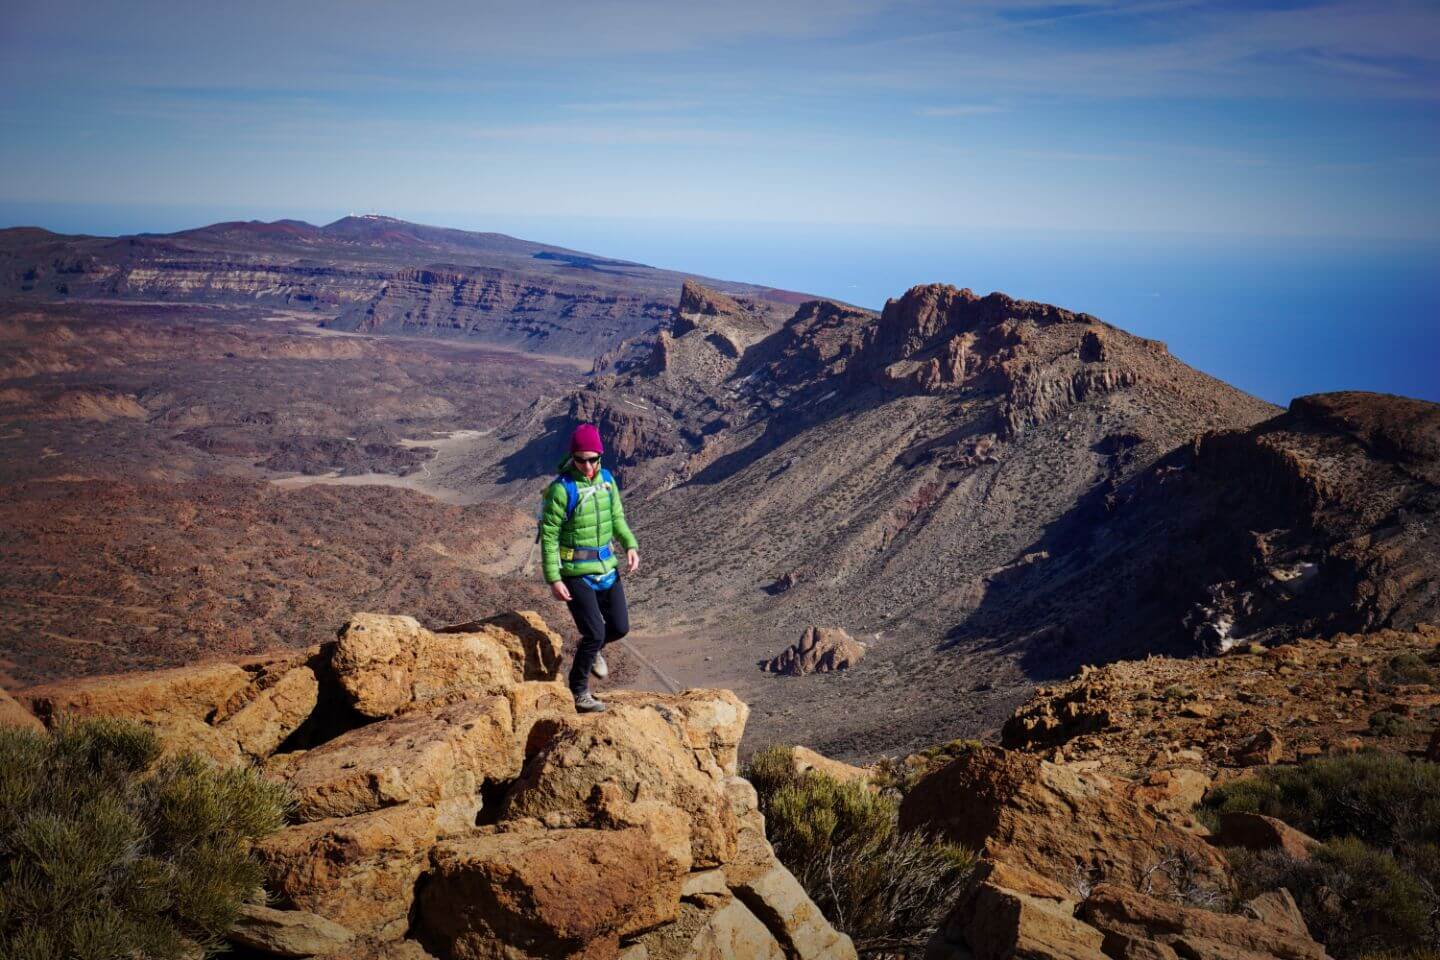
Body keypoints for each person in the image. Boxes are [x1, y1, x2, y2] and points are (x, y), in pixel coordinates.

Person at [539, 423, 640, 712]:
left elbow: (617, 518)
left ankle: (594, 651)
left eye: (593, 459)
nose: (587, 465)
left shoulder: (607, 480)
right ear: (572, 457)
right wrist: (553, 578)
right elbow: (549, 536)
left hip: (607, 566)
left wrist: (630, 545)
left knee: (619, 627)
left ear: (601, 456)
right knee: (594, 632)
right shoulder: (562, 490)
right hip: (575, 571)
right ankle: (579, 691)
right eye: (581, 459)